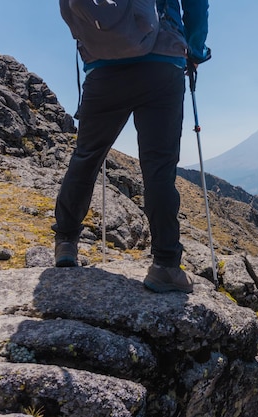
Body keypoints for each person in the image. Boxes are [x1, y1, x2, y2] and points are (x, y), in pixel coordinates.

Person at [53, 0, 211, 295]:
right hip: (162, 64)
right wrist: (196, 51)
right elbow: (196, 5)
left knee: (86, 156)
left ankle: (66, 243)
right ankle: (165, 265)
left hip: (103, 67)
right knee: (159, 168)